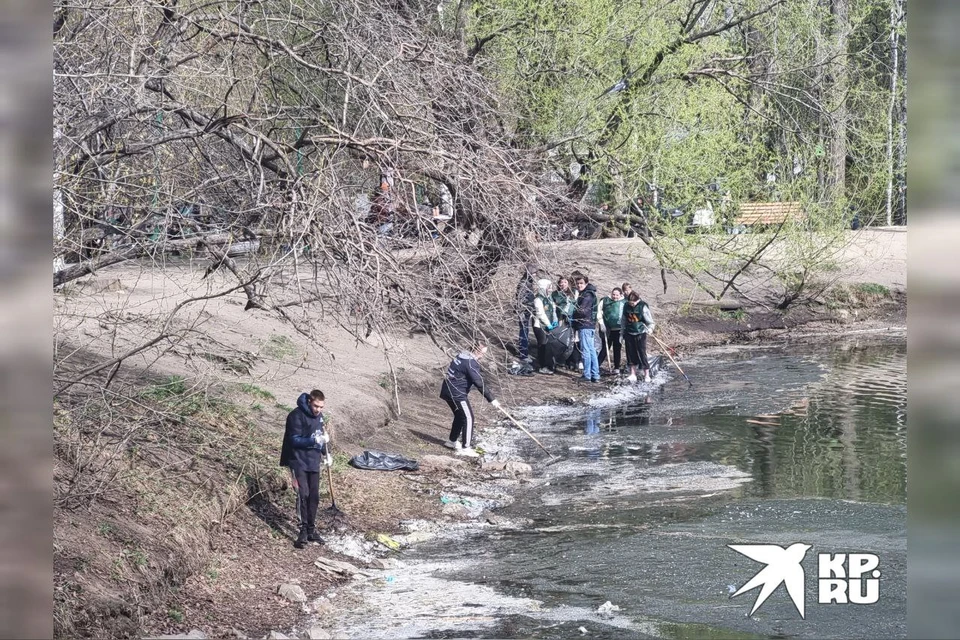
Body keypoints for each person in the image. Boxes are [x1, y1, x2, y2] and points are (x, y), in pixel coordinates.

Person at [279, 389, 331, 549]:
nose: (318, 410)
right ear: (309, 401)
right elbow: (294, 440)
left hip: (313, 461)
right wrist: (313, 440)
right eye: (316, 406)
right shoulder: (295, 416)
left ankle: (311, 530)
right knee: (303, 494)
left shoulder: (320, 417)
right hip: (298, 461)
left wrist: (326, 453)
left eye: (321, 407)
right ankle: (302, 531)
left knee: (314, 496)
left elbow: (320, 437)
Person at [439, 340, 500, 457]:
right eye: (482, 353)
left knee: (459, 415)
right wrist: (492, 399)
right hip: (457, 393)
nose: (482, 356)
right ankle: (466, 447)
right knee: (469, 418)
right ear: (476, 351)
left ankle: (452, 441)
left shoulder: (461, 355)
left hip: (447, 390)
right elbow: (479, 383)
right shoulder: (471, 363)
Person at [622, 291, 656, 383]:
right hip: (629, 332)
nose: (631, 305)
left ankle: (647, 375)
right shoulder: (626, 306)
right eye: (630, 303)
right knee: (630, 353)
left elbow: (650, 322)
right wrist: (622, 333)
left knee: (642, 353)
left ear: (637, 301)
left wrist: (650, 329)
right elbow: (623, 320)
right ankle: (633, 374)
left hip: (640, 332)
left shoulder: (643, 306)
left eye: (633, 303)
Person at [573, 274, 600, 383]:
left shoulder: (587, 295)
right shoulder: (588, 294)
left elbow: (583, 311)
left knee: (586, 350)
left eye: (581, 283)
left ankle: (587, 374)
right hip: (590, 325)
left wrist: (573, 312)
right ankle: (595, 375)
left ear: (586, 284)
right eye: (578, 283)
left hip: (585, 325)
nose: (579, 285)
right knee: (592, 350)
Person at [532, 279, 559, 374]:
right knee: (542, 345)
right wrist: (548, 324)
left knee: (548, 346)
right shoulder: (538, 299)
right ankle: (542, 366)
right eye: (549, 287)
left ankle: (549, 365)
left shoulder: (549, 299)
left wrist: (555, 320)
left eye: (551, 287)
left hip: (549, 325)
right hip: (540, 326)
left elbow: (554, 310)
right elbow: (540, 314)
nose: (551, 290)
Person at [552, 276, 579, 371]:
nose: (563, 284)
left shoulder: (573, 293)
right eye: (561, 282)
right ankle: (559, 360)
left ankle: (573, 362)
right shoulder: (555, 294)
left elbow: (574, 305)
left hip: (571, 319)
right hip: (559, 319)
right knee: (560, 339)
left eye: (565, 282)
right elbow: (553, 306)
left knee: (573, 340)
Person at [597, 287, 625, 374]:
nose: (615, 296)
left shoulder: (624, 302)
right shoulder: (605, 301)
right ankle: (596, 365)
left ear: (620, 295)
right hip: (607, 329)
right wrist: (601, 323)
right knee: (605, 348)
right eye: (613, 294)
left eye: (617, 295)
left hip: (619, 330)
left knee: (617, 349)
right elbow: (599, 312)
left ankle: (617, 367)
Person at [515, 263, 537, 363]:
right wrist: (523, 310)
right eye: (534, 273)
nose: (536, 275)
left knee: (525, 332)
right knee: (524, 332)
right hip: (523, 312)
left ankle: (523, 352)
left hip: (527, 311)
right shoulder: (524, 283)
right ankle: (523, 354)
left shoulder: (529, 282)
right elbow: (520, 299)